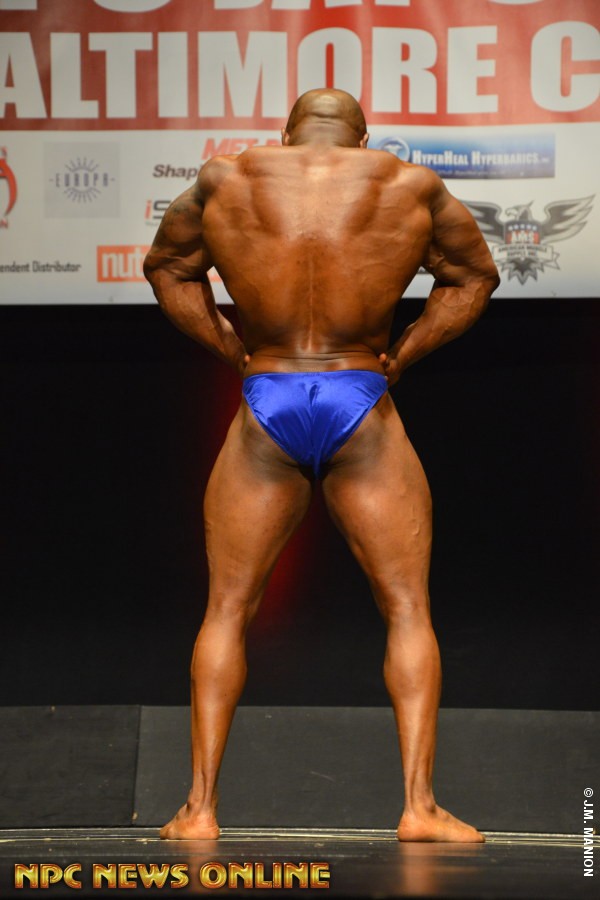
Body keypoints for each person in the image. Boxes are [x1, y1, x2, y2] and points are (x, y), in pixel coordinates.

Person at [143, 88, 500, 843]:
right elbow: (473, 279)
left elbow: (168, 268)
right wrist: (402, 355)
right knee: (406, 608)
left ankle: (199, 810)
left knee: (226, 609)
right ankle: (418, 808)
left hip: (266, 395)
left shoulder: (227, 179)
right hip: (360, 396)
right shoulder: (407, 183)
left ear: (286, 135)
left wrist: (231, 350)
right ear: (364, 139)